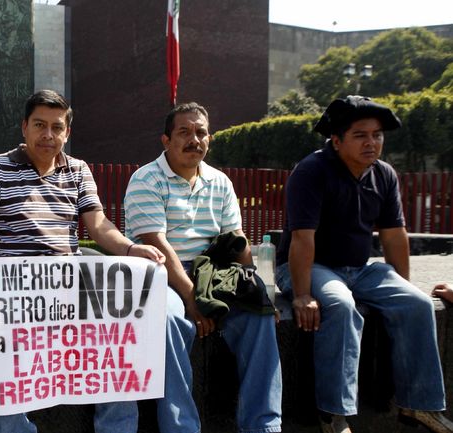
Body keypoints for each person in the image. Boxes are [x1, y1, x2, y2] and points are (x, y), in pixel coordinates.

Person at [0, 89, 165, 433]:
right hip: (13, 291)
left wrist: (129, 249)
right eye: (39, 125)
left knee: (119, 348)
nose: (48, 134)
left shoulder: (78, 170)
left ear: (67, 132)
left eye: (57, 127)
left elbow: (98, 225)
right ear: (24, 127)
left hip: (67, 286)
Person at [275, 95, 453, 433]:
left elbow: (394, 236)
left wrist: (401, 286)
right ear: (337, 141)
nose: (371, 143)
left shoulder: (384, 174)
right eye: (360, 135)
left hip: (360, 269)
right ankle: (334, 415)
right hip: (309, 266)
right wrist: (302, 294)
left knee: (416, 303)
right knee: (341, 306)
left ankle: (419, 405)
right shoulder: (311, 171)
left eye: (377, 135)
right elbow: (302, 238)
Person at [124, 102, 282, 433]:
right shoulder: (147, 178)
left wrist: (256, 288)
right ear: (166, 140)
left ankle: (264, 425)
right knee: (168, 320)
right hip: (158, 272)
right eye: (184, 132)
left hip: (211, 271)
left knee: (259, 315)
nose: (193, 139)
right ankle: (181, 427)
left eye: (201, 132)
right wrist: (191, 297)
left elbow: (236, 240)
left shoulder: (219, 181)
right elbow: (157, 244)